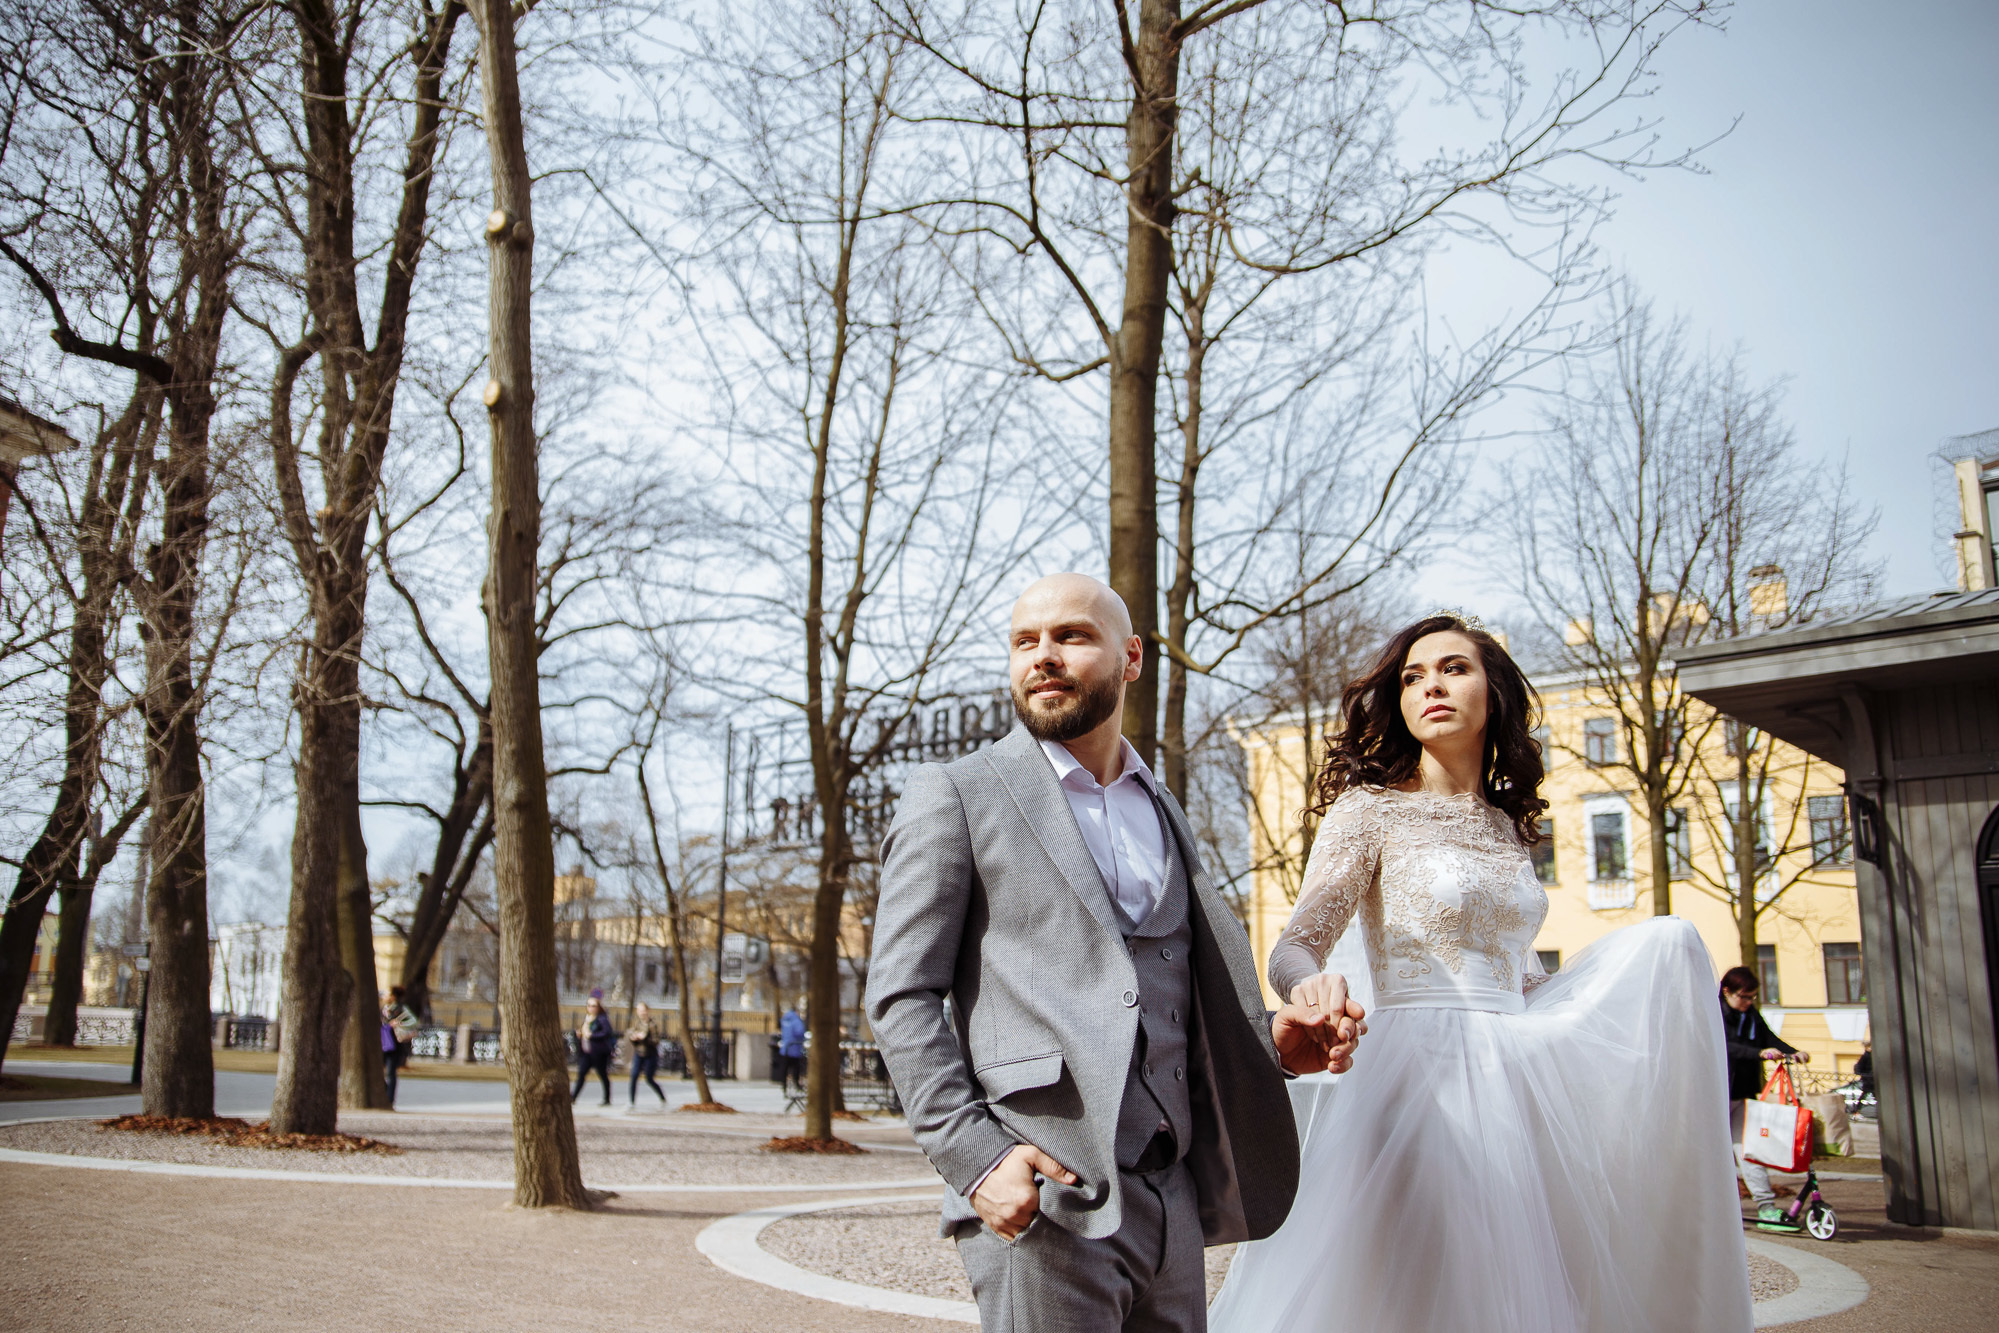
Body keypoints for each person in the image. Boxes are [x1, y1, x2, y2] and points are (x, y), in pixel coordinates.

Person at [1209, 611, 1755, 1333]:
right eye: (1411, 676)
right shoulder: (1367, 811)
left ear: (1491, 693)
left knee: (1669, 943)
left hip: (1514, 1077)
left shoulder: (1506, 826)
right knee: (1410, 1289)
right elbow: (1294, 946)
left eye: (1452, 668)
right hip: (1413, 1076)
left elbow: (1516, 968)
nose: (1430, 685)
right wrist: (1309, 987)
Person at [867, 574, 1359, 1333]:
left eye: (1070, 636)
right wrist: (975, 1157)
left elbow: (1165, 984)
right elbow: (901, 993)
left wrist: (1277, 1043)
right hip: (1047, 1191)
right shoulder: (957, 792)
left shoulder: (1158, 805)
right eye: (1024, 641)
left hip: (1174, 1201)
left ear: (1130, 657)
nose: (1043, 657)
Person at [1720, 965, 1805, 1221]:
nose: (1747, 1002)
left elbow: (1768, 1037)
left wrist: (1792, 1052)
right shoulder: (1715, 1014)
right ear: (1727, 991)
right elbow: (1725, 1046)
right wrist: (1757, 1053)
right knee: (1709, 1152)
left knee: (1748, 1149)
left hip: (1743, 1093)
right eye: (1743, 997)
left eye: (1752, 997)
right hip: (1717, 1095)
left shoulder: (1751, 1015)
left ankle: (1766, 1207)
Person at [572, 991, 616, 1106]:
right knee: (581, 1074)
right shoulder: (587, 1019)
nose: (591, 1008)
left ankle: (607, 1098)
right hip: (586, 1052)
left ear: (598, 1007)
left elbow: (607, 1032)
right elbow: (584, 1033)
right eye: (589, 1005)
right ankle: (573, 1097)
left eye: (593, 1006)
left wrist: (592, 1035)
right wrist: (580, 1034)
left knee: (602, 1074)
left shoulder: (602, 1019)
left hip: (599, 1052)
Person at [381, 987, 419, 1109]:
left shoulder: (401, 1008)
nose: (384, 996)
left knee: (391, 1072)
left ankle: (389, 1099)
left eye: (386, 994)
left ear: (393, 996)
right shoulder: (384, 1009)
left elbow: (414, 1021)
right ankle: (384, 1094)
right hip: (382, 1043)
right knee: (380, 1071)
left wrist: (399, 1024)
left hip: (393, 1045)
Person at [627, 1002, 667, 1107]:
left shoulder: (652, 1025)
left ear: (647, 1011)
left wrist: (645, 1038)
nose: (641, 1013)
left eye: (643, 1010)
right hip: (639, 1053)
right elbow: (631, 1036)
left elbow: (656, 1040)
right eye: (639, 1010)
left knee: (649, 1078)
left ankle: (662, 1097)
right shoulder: (637, 1023)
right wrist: (634, 1038)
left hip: (650, 1054)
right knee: (634, 1075)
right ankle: (631, 1101)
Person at [778, 1002, 806, 1094]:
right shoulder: (796, 1021)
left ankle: (784, 1085)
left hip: (785, 1048)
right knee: (796, 1068)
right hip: (795, 1048)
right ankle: (797, 1084)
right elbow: (800, 1032)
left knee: (785, 1068)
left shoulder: (784, 1019)